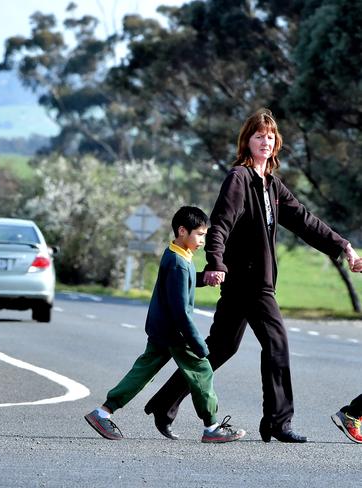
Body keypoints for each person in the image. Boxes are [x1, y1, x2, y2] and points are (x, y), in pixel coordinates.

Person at [143, 108, 362, 443]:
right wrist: (215, 261)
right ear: (246, 141)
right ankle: (278, 421)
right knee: (276, 345)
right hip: (247, 280)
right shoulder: (239, 179)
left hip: (256, 281)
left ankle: (165, 402)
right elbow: (220, 225)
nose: (266, 140)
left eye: (270, 136)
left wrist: (343, 246)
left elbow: (305, 221)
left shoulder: (272, 185)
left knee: (219, 348)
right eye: (259, 135)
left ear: (276, 145)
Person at [84, 206, 246, 443]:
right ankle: (211, 427)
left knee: (141, 372)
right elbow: (181, 310)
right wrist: (198, 343)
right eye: (199, 234)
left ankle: (103, 412)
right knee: (202, 371)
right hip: (176, 333)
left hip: (162, 329)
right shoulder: (179, 263)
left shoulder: (176, 254)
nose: (203, 239)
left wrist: (204, 277)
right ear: (183, 231)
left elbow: (181, 285)